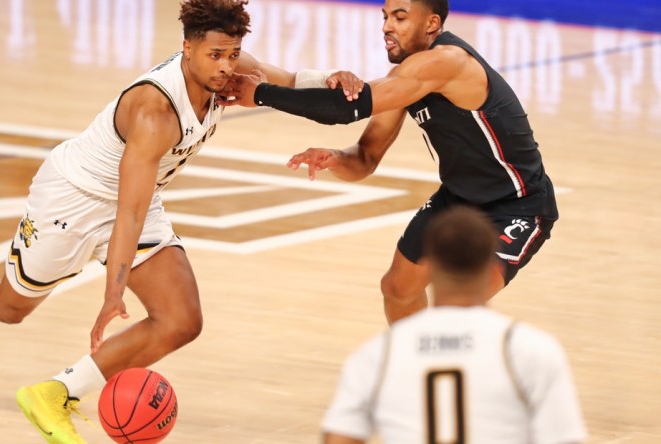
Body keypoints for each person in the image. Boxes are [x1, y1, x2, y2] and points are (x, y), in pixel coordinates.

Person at [0, 1, 362, 443]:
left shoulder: (228, 63)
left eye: (231, 54)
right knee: (11, 308)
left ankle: (56, 393)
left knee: (181, 319)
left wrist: (330, 78)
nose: (226, 67)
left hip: (137, 199)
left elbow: (286, 79)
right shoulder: (155, 112)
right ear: (185, 47)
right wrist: (113, 292)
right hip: (73, 200)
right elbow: (127, 211)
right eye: (215, 56)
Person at [222, 0, 559, 324]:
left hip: (517, 204)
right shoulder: (406, 74)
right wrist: (336, 158)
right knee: (397, 289)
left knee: (458, 305)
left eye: (400, 17)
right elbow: (365, 159)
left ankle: (474, 376)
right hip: (459, 197)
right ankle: (415, 370)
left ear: (432, 24)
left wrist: (262, 95)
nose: (386, 26)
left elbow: (345, 110)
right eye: (385, 16)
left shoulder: (447, 62)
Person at [322, 206, 587, 444]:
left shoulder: (380, 353)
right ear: (490, 265)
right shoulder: (531, 350)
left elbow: (339, 439)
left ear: (427, 266)